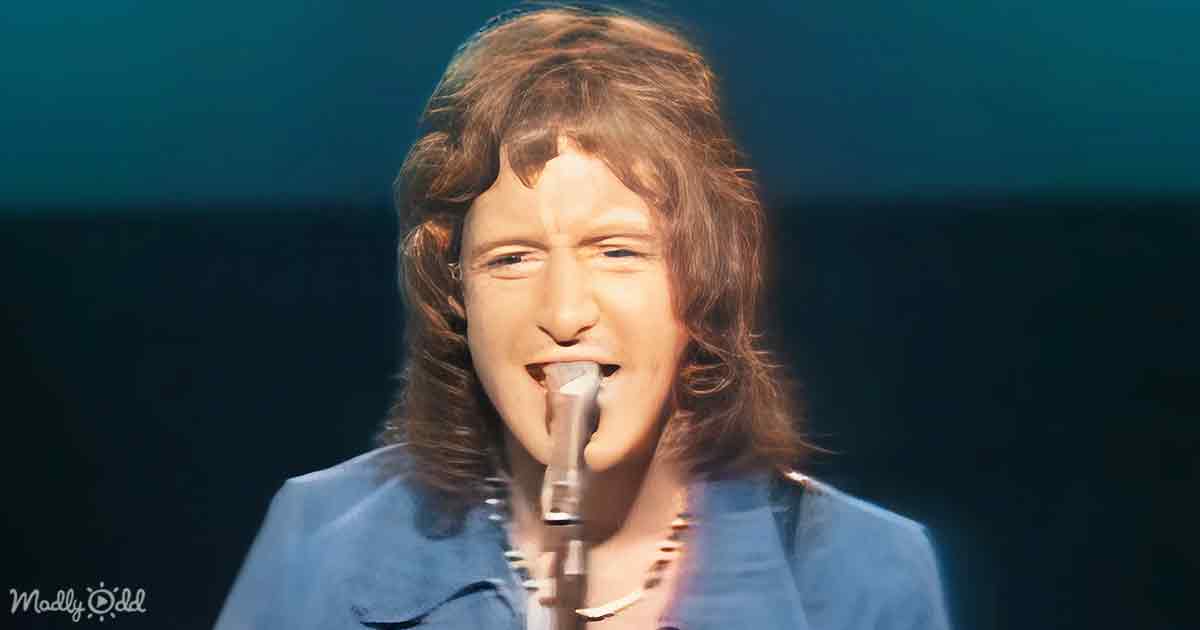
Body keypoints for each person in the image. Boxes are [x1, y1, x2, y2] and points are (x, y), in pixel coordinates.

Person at [215, 5, 951, 629]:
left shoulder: (862, 576)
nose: (565, 314)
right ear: (454, 292)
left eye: (617, 251)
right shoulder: (316, 544)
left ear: (706, 278)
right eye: (512, 258)